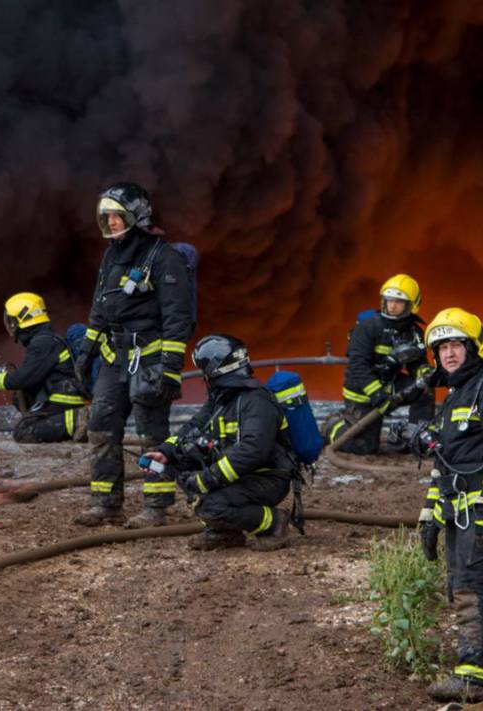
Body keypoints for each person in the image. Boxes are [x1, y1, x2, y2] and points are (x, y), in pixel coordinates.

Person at [411, 307, 483, 703]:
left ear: (474, 347)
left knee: (474, 587)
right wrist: (430, 515)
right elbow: (444, 464)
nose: (448, 353)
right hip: (459, 513)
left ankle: (475, 676)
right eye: (441, 347)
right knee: (465, 586)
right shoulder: (457, 394)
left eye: (456, 344)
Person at [73, 182, 195, 528]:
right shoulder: (112, 255)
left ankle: (156, 507)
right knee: (101, 428)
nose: (111, 222)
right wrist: (86, 353)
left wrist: (169, 368)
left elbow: (178, 319)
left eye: (117, 215)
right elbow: (101, 308)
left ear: (137, 216)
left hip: (149, 360)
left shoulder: (164, 258)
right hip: (114, 359)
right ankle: (106, 504)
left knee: (151, 436)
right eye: (106, 216)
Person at [143, 334, 297, 551]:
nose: (203, 378)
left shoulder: (256, 401)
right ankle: (224, 533)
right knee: (181, 463)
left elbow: (253, 451)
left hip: (268, 477)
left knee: (212, 505)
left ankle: (274, 523)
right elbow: (194, 427)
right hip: (242, 473)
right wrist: (166, 452)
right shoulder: (221, 399)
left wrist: (208, 478)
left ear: (215, 371)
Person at [324, 274, 434, 454]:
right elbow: (357, 366)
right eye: (389, 300)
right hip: (362, 390)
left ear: (411, 305)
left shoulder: (413, 332)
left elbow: (416, 363)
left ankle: (416, 437)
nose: (392, 305)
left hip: (389, 384)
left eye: (399, 302)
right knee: (364, 447)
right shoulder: (368, 327)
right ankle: (332, 426)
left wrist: (423, 372)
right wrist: (377, 394)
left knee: (424, 389)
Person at [0, 293, 89, 443]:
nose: (11, 325)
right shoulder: (45, 340)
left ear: (24, 319)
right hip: (60, 398)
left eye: (12, 321)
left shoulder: (43, 343)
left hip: (64, 401)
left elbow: (22, 380)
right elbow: (28, 377)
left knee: (24, 432)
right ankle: (66, 422)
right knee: (21, 397)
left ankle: (78, 419)